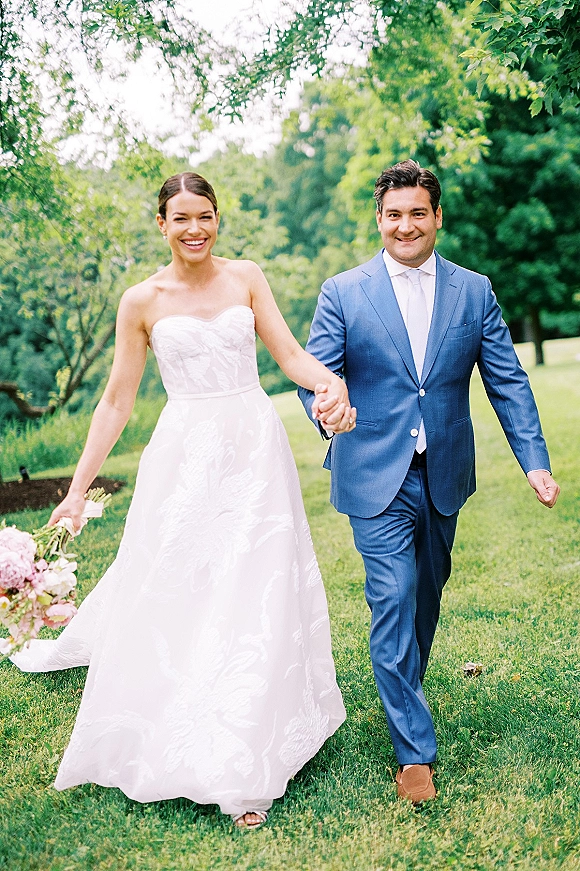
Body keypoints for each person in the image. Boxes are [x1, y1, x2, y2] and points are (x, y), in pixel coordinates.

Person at [9, 172, 351, 829]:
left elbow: (289, 355)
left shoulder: (247, 276)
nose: (195, 228)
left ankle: (245, 753)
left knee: (255, 584)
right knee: (184, 584)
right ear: (161, 225)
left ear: (217, 218)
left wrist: (328, 383)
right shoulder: (141, 300)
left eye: (205, 215)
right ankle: (186, 711)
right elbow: (116, 400)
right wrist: (75, 492)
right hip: (185, 453)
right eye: (180, 218)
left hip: (253, 446)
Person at [298, 159, 560, 804]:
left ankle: (401, 680)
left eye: (418, 213)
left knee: (424, 599)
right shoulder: (343, 291)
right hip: (372, 471)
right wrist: (327, 410)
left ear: (437, 216)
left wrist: (534, 460)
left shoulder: (474, 291)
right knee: (393, 595)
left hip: (442, 473)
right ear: (378, 219)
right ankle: (415, 751)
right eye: (393, 214)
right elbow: (318, 375)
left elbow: (506, 379)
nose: (405, 225)